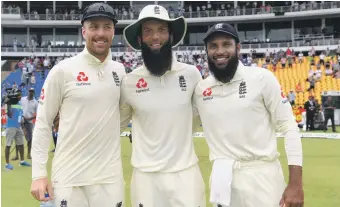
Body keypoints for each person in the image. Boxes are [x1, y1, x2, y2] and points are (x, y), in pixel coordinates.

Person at [193, 23, 304, 207]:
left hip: (262, 176)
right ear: (207, 52)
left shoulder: (261, 78)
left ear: (237, 48)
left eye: (226, 44)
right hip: (222, 179)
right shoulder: (201, 89)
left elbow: (289, 127)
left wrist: (296, 184)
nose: (220, 51)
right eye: (213, 46)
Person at [30, 3, 126, 207]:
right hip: (69, 179)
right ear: (84, 31)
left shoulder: (120, 71)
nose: (100, 33)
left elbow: (122, 117)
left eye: (107, 27)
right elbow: (43, 122)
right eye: (94, 27)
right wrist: (38, 174)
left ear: (113, 32)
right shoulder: (63, 70)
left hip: (109, 180)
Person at [121, 5, 205, 207]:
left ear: (171, 35)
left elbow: (204, 115)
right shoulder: (130, 81)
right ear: (140, 39)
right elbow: (113, 124)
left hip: (186, 175)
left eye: (161, 30)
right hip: (145, 179)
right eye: (148, 31)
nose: (155, 37)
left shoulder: (191, 74)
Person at [4, 89, 31, 170]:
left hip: (18, 127)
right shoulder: (9, 104)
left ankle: (22, 161)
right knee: (8, 145)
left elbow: (20, 116)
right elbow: (9, 115)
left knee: (21, 144)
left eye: (20, 94)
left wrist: (23, 128)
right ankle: (7, 164)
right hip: (11, 127)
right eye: (19, 95)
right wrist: (8, 104)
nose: (20, 96)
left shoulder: (19, 104)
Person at [20, 87, 38, 159]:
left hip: (29, 122)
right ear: (28, 91)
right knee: (19, 137)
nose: (30, 92)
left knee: (30, 139)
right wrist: (21, 116)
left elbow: (37, 114)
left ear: (34, 93)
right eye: (30, 91)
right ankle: (17, 155)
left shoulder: (35, 103)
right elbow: (19, 108)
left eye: (32, 91)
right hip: (21, 121)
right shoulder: (22, 99)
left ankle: (28, 154)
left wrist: (29, 118)